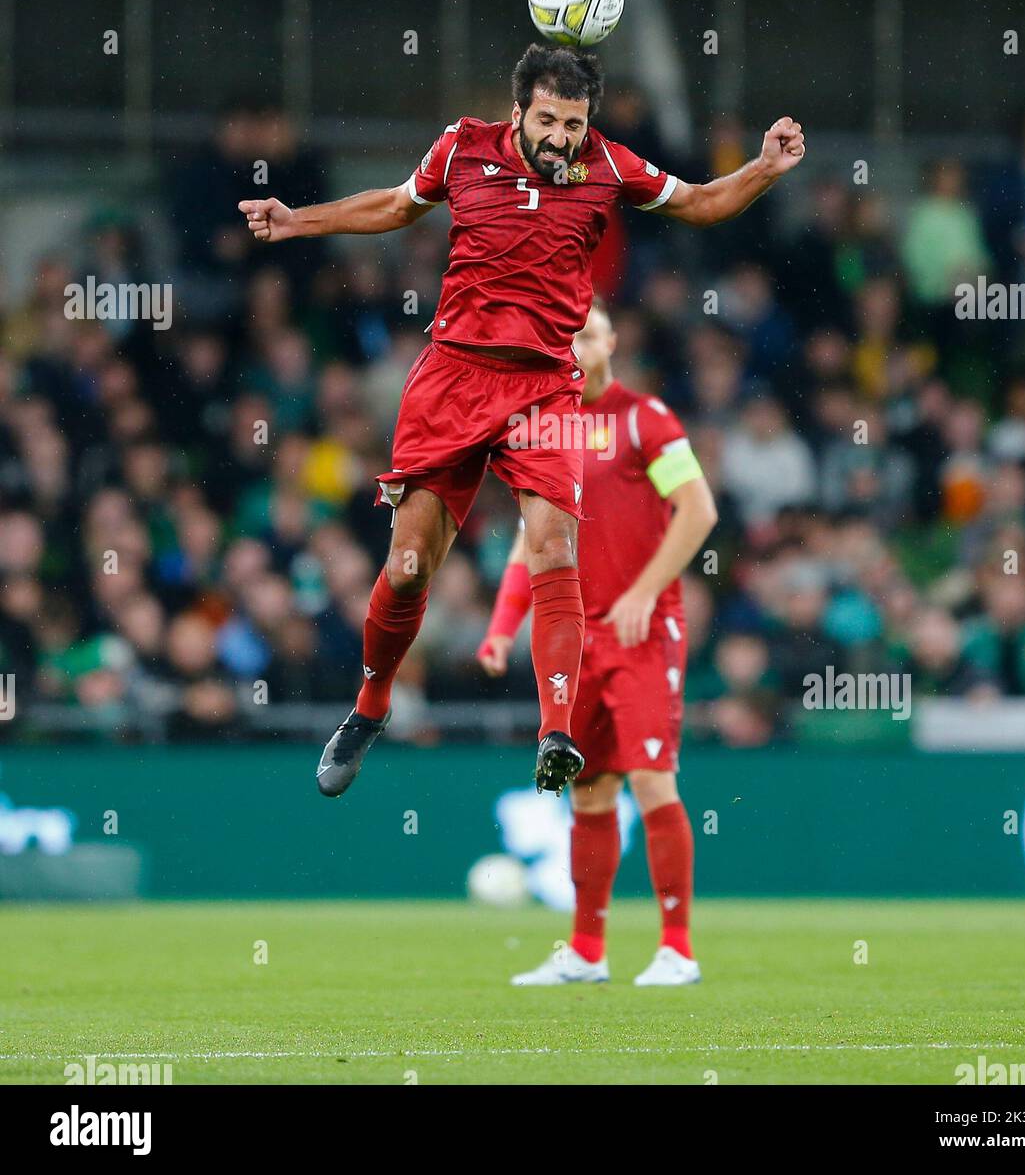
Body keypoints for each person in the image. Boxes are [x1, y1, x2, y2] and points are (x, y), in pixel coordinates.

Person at [238, 44, 805, 796]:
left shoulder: (608, 165)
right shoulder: (461, 147)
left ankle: (556, 732)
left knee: (553, 544)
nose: (561, 137)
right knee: (408, 569)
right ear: (517, 112)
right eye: (548, 119)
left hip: (546, 388)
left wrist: (761, 167)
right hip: (453, 377)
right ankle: (370, 709)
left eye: (574, 123)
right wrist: (296, 222)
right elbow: (394, 205)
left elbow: (700, 202)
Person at [478, 303, 718, 986]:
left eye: (587, 332)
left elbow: (699, 509)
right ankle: (587, 951)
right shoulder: (540, 429)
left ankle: (677, 947)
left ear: (612, 339)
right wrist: (500, 628)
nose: (577, 345)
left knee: (650, 780)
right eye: (565, 334)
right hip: (574, 641)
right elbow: (533, 543)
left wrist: (646, 591)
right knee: (588, 792)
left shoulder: (646, 419)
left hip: (643, 632)